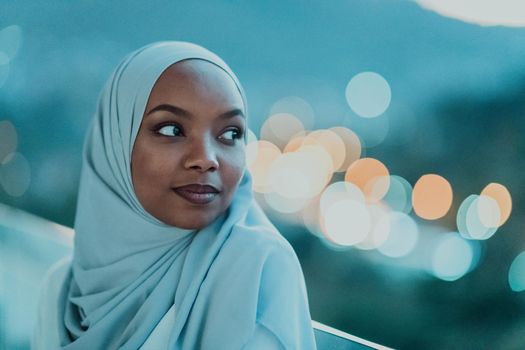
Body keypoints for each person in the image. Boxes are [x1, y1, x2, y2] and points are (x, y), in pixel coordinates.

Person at [31, 41, 317, 349]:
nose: (207, 159)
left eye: (230, 133)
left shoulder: (257, 266)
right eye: (171, 130)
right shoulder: (61, 287)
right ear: (114, 144)